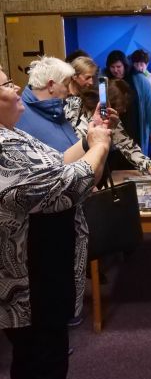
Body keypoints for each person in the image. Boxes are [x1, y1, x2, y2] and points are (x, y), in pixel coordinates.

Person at [0, 64, 111, 379]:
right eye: (6, 84)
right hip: (31, 279)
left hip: (42, 270)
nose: (17, 88)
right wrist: (101, 146)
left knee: (34, 357)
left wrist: (90, 137)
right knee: (43, 362)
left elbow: (58, 165)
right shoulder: (4, 146)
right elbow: (69, 185)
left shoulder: (12, 133)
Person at [16, 56, 119, 324]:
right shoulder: (21, 117)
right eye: (67, 82)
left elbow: (64, 157)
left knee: (66, 275)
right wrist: (96, 146)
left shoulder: (57, 110)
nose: (71, 87)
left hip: (69, 209)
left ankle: (64, 319)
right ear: (51, 85)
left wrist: (92, 135)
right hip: (41, 221)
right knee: (47, 286)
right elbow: (53, 172)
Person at [69, 78, 151, 182]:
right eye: (121, 106)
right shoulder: (75, 108)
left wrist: (150, 168)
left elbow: (127, 144)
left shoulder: (109, 117)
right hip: (74, 175)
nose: (124, 110)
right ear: (110, 104)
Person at [104, 50, 139, 142]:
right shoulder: (104, 80)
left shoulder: (135, 78)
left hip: (131, 121)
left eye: (118, 66)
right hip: (113, 123)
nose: (115, 70)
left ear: (124, 65)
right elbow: (102, 104)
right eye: (112, 67)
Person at [130, 49, 151, 155]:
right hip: (140, 114)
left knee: (145, 143)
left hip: (150, 113)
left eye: (142, 64)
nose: (139, 67)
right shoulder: (132, 77)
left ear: (147, 64)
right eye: (136, 64)